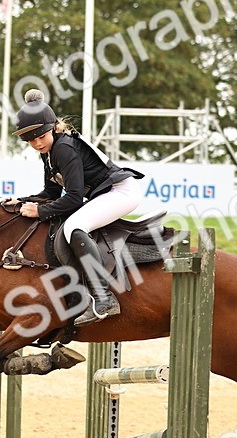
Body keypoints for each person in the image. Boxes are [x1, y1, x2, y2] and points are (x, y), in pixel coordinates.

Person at [12, 89, 145, 326]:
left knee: (74, 226)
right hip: (107, 193)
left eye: (40, 136)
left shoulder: (64, 148)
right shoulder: (49, 153)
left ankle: (104, 299)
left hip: (122, 191)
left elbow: (73, 198)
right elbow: (51, 193)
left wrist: (40, 211)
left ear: (52, 128)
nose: (37, 143)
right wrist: (22, 201)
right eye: (31, 140)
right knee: (70, 223)